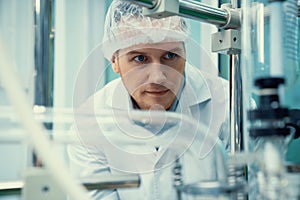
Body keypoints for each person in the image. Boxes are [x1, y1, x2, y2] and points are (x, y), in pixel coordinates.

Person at [68, 0, 230, 199]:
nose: (158, 77)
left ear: (185, 53)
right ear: (114, 61)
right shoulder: (89, 125)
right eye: (140, 59)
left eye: (170, 56)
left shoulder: (227, 106)